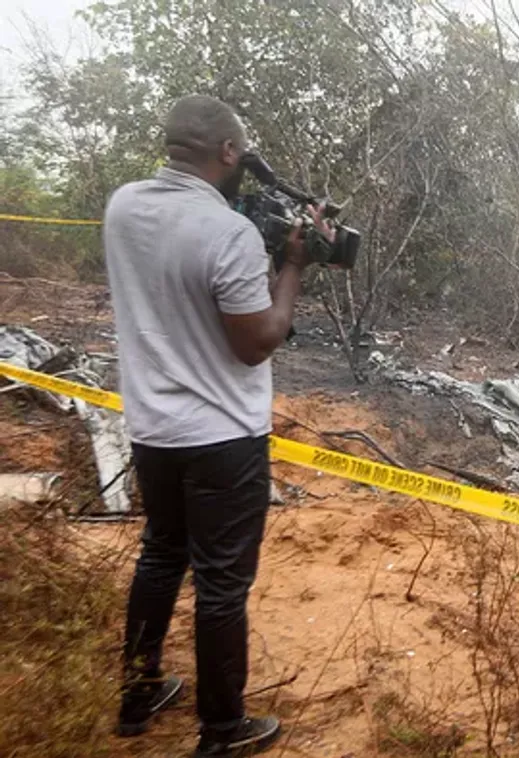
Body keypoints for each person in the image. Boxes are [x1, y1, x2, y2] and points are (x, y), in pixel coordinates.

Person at [103, 94, 328, 757]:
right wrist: (293, 264)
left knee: (160, 555)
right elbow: (256, 340)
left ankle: (136, 700)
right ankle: (222, 733)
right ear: (229, 153)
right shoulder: (224, 233)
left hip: (151, 429)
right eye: (241, 152)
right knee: (222, 586)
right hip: (223, 438)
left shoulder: (123, 207)